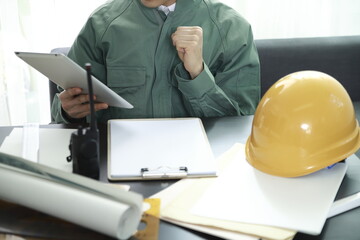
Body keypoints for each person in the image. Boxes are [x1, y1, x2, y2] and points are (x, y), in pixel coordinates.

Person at [51, 0, 260, 123]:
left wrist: (198, 73)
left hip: (205, 168)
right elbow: (61, 108)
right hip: (118, 162)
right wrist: (69, 113)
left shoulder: (233, 29)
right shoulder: (102, 24)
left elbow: (241, 125)